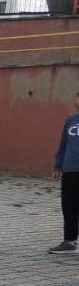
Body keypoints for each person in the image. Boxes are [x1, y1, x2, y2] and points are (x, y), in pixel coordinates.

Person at [50, 92, 79, 254]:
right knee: (68, 206)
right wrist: (57, 166)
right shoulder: (71, 120)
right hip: (70, 169)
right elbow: (63, 144)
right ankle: (69, 241)